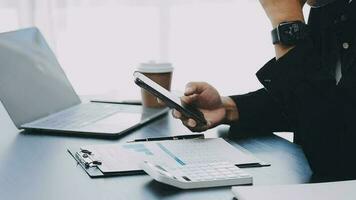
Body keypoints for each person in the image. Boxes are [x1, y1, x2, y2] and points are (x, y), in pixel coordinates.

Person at [169, 0, 356, 181]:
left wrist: (286, 24)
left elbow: (336, 161)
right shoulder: (332, 5)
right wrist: (230, 108)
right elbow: (321, 103)